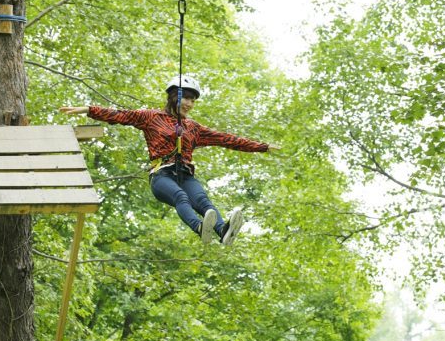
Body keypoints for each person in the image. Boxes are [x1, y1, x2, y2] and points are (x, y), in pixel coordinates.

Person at [60, 76, 280, 246]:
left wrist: (262, 147)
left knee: (203, 201)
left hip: (185, 174)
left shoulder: (193, 128)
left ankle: (222, 231)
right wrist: (89, 110)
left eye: (193, 100)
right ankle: (199, 227)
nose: (190, 104)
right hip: (162, 175)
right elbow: (120, 115)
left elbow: (227, 139)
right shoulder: (151, 117)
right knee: (181, 197)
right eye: (186, 98)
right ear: (174, 96)